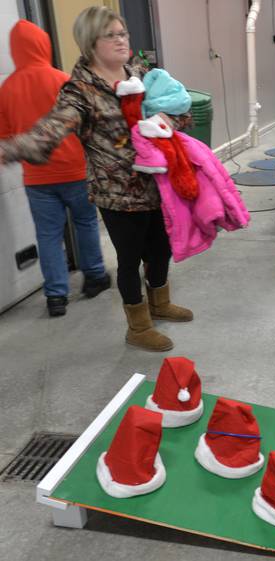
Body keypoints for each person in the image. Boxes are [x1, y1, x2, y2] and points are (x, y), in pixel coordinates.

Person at [0, 6, 192, 351]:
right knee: (130, 260)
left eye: (124, 33)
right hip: (117, 193)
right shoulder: (79, 90)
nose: (122, 40)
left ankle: (160, 304)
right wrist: (10, 149)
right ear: (91, 43)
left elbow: (179, 110)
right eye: (112, 35)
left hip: (156, 185)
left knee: (161, 249)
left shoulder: (138, 72)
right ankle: (138, 326)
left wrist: (167, 119)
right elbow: (51, 130)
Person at [0, 20, 110, 317]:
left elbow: (6, 135)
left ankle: (56, 297)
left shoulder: (7, 88)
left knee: (48, 235)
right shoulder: (63, 79)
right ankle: (95, 277)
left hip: (37, 178)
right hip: (74, 171)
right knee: (85, 223)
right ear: (43, 45)